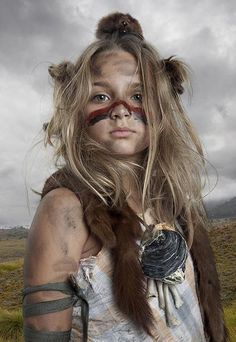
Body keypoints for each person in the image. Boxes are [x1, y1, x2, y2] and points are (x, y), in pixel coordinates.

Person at [23, 12, 228, 342]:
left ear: (160, 108)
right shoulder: (64, 211)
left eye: (138, 96)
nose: (121, 110)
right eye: (101, 96)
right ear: (77, 109)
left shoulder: (171, 202)